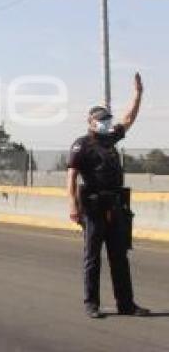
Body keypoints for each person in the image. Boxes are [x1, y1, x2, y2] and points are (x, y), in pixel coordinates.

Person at [67, 73, 150, 319]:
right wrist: (72, 205)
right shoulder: (82, 144)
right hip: (92, 207)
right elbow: (70, 177)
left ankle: (126, 304)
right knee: (92, 257)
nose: (105, 123)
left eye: (107, 119)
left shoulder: (110, 138)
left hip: (115, 206)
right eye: (101, 120)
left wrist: (138, 94)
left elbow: (129, 118)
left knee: (119, 257)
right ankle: (92, 304)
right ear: (90, 122)